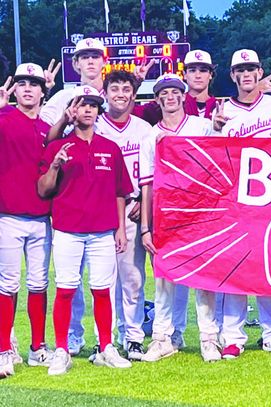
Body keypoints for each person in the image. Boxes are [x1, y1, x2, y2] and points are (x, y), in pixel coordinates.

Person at [38, 85, 133, 375]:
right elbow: (43, 190)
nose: (88, 110)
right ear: (73, 110)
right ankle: (62, 351)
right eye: (82, 105)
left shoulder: (110, 147)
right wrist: (54, 166)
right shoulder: (57, 146)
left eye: (93, 105)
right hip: (67, 229)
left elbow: (121, 192)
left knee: (102, 290)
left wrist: (121, 229)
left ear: (98, 111)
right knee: (65, 289)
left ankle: (106, 347)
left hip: (103, 230)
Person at [213, 49, 271, 359]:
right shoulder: (222, 111)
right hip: (235, 201)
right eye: (240, 70)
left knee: (269, 266)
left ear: (260, 72)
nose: (246, 74)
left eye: (251, 69)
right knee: (235, 268)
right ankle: (233, 336)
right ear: (232, 75)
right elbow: (214, 160)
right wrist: (216, 129)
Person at [139, 73, 216, 362]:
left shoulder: (202, 127)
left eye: (174, 92)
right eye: (164, 94)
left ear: (183, 95)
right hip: (167, 216)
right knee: (164, 280)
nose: (170, 97)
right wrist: (146, 227)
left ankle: (209, 337)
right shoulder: (150, 136)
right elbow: (147, 184)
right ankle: (162, 337)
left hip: (201, 213)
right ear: (157, 99)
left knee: (204, 278)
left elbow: (218, 168)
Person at [0, 63, 54, 378]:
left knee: (38, 283)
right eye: (22, 84)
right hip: (8, 215)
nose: (28, 89)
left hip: (41, 217)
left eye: (34, 84)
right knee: (7, 285)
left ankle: (37, 348)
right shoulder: (4, 119)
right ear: (15, 89)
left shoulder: (47, 127)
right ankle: (5, 349)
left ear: (42, 90)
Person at [94, 70, 153, 360]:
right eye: (114, 88)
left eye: (126, 88)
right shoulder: (93, 125)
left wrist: (144, 201)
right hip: (98, 211)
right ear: (104, 93)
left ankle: (133, 336)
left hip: (131, 210)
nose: (120, 93)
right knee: (102, 281)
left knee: (132, 279)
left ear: (133, 93)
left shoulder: (143, 128)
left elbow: (150, 173)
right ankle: (102, 339)